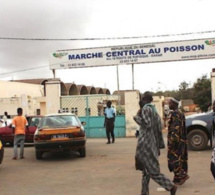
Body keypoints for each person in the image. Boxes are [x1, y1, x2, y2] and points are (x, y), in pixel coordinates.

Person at [134, 92, 177, 195]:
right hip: (152, 142)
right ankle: (144, 192)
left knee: (152, 171)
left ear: (144, 99)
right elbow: (158, 129)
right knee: (146, 171)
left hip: (145, 144)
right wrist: (158, 145)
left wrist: (136, 117)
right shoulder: (154, 111)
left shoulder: (145, 109)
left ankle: (170, 186)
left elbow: (146, 124)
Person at [168, 97, 189, 185]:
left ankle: (182, 175)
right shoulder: (180, 112)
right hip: (182, 140)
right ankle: (177, 178)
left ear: (174, 103)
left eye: (170, 103)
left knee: (174, 160)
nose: (169, 105)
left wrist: (173, 142)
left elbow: (176, 129)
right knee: (180, 159)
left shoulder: (175, 114)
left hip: (176, 142)